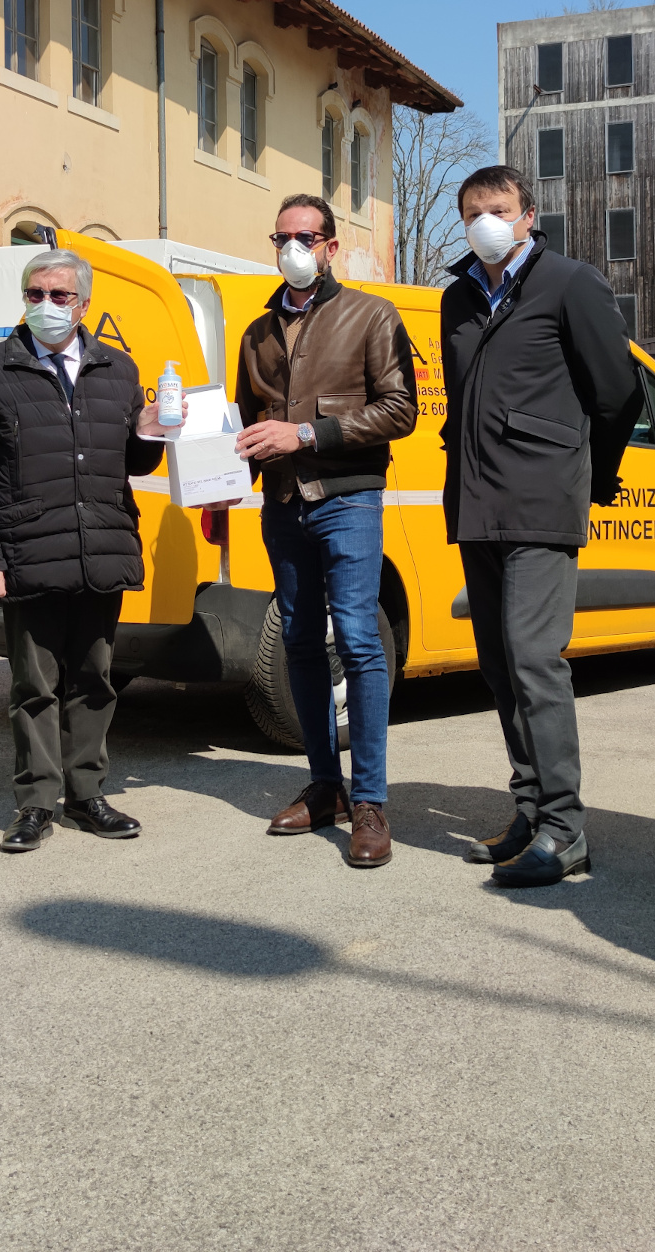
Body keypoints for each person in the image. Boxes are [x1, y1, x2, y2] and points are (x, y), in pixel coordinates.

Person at [441, 166, 643, 888]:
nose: (484, 222)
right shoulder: (456, 298)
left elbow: (618, 392)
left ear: (529, 214)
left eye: (497, 209)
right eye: (471, 212)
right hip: (476, 503)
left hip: (541, 500)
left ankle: (566, 828)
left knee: (534, 659)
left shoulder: (570, 282)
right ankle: (529, 813)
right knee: (498, 664)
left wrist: (592, 474)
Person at [0, 248, 164, 852]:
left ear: (84, 304)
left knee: (95, 680)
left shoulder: (117, 370)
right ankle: (37, 803)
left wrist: (150, 430)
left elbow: (133, 463)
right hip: (27, 553)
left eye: (60, 296)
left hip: (99, 548)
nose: (46, 305)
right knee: (33, 687)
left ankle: (88, 794)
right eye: (35, 294)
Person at [233, 195, 418, 867]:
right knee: (301, 642)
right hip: (282, 504)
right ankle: (324, 787)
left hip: (348, 499)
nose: (292, 248)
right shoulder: (257, 332)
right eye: (281, 236)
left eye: (304, 236)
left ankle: (369, 802)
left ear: (331, 246)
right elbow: (247, 418)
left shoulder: (371, 315)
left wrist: (308, 432)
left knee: (362, 642)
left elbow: (401, 410)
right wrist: (225, 467)